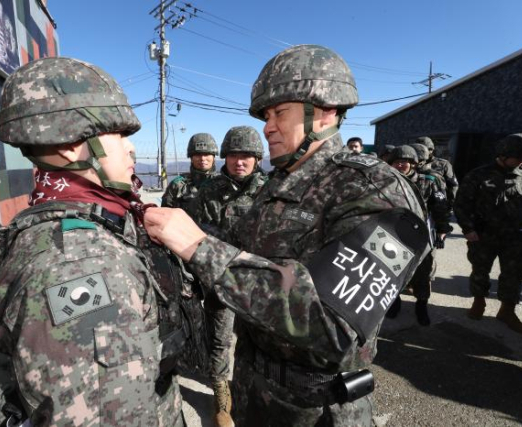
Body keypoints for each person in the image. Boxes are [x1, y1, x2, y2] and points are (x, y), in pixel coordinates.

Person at [144, 44, 429, 426]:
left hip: (313, 409)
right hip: (253, 392)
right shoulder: (281, 182)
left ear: (325, 111)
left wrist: (198, 246)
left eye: (279, 112)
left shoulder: (375, 190)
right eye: (265, 115)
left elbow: (331, 323)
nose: (267, 126)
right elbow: (245, 248)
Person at [0, 57, 199, 426]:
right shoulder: (82, 264)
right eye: (118, 134)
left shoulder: (61, 220)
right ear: (70, 144)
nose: (131, 149)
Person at [194, 125, 267, 426]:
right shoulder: (209, 191)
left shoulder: (269, 190)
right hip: (220, 279)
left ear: (257, 159)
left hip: (257, 282)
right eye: (235, 155)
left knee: (258, 340)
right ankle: (222, 397)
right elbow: (196, 235)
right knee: (221, 340)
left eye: (247, 155)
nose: (240, 161)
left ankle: (252, 391)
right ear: (224, 157)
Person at [454, 133, 522, 334]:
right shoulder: (478, 175)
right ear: (504, 154)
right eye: (518, 156)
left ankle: (507, 311)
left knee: (514, 275)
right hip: (483, 234)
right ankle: (479, 302)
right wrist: (468, 229)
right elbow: (461, 205)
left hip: (515, 237)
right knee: (480, 271)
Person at [387, 145, 452, 325]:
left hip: (422, 235)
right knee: (394, 271)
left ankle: (421, 305)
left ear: (413, 164)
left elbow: (440, 208)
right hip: (394, 233)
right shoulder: (386, 180)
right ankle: (394, 302)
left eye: (405, 162)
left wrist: (442, 230)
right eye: (397, 162)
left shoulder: (428, 181)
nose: (400, 165)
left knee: (423, 273)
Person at [162, 133, 218, 213]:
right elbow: (165, 215)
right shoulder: (177, 185)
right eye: (198, 155)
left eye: (206, 154)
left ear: (213, 157)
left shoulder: (224, 184)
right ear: (191, 158)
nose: (202, 158)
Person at [417, 136, 459, 209]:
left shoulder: (443, 164)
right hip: (417, 203)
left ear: (431, 150)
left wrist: (451, 204)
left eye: (424, 149)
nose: (421, 152)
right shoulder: (412, 163)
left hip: (438, 204)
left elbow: (453, 185)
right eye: (418, 150)